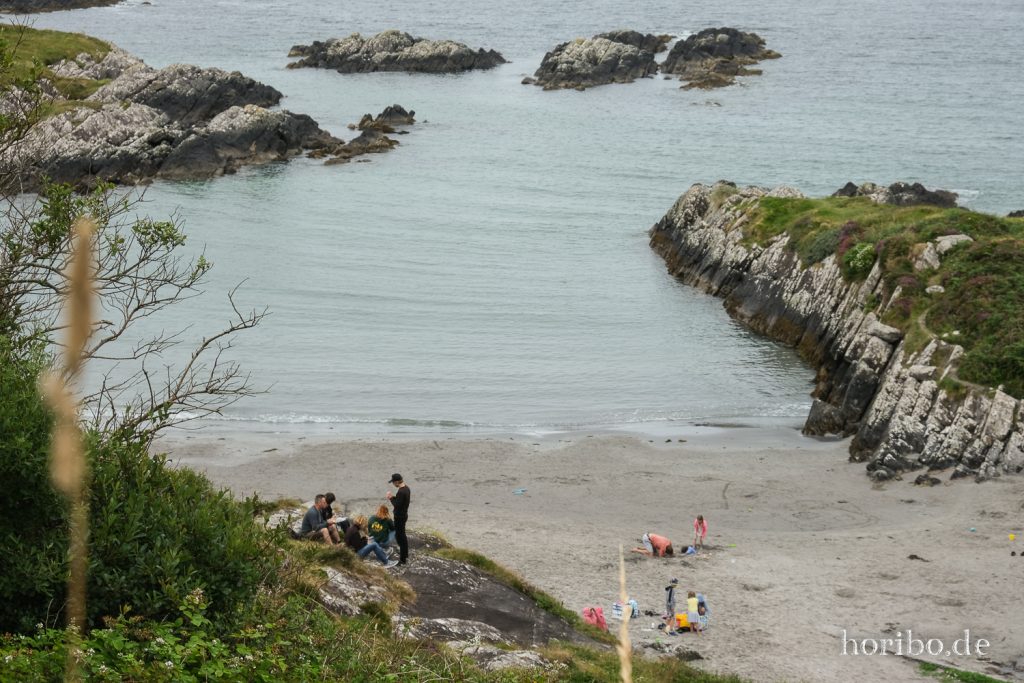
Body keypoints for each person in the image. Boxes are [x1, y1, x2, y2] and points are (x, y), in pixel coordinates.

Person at [387, 473, 411, 565]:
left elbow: (397, 505)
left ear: (397, 482)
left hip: (399, 517)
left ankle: (402, 559)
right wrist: (393, 497)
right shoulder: (407, 488)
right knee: (401, 536)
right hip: (403, 515)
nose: (393, 484)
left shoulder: (401, 492)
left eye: (393, 482)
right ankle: (405, 554)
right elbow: (400, 501)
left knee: (400, 537)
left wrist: (390, 498)